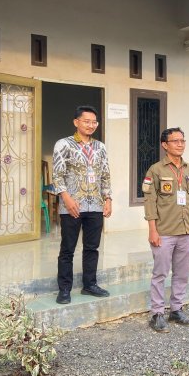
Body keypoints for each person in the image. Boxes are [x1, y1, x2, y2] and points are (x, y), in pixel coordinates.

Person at [52, 105, 112, 304]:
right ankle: (64, 289)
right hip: (72, 206)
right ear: (76, 122)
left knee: (92, 248)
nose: (91, 125)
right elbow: (57, 175)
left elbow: (105, 175)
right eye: (86, 121)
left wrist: (108, 199)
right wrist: (66, 198)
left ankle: (89, 285)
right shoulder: (64, 144)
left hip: (95, 204)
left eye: (94, 122)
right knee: (67, 249)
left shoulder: (100, 147)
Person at [143, 128, 189, 333]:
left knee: (182, 272)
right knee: (160, 273)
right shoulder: (156, 170)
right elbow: (149, 201)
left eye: (182, 140)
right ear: (164, 145)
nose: (180, 144)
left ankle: (176, 309)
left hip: (186, 230)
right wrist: (152, 230)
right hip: (164, 230)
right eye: (175, 141)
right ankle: (157, 313)